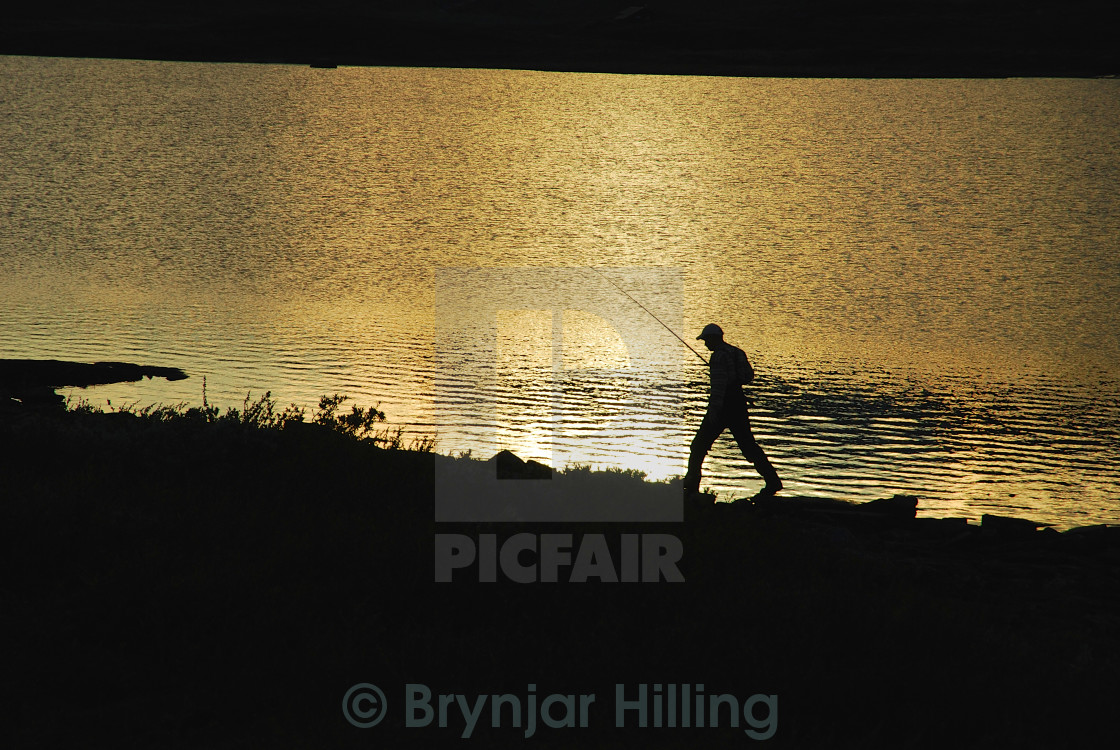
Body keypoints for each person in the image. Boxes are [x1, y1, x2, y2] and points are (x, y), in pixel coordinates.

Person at [683, 324, 782, 497]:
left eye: (706, 340)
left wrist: (713, 410)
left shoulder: (718, 356)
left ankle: (691, 486)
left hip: (722, 407)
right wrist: (733, 377)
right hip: (739, 405)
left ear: (714, 338)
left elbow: (718, 388)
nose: (705, 345)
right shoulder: (738, 352)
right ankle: (773, 481)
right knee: (748, 446)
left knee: (698, 446)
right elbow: (748, 377)